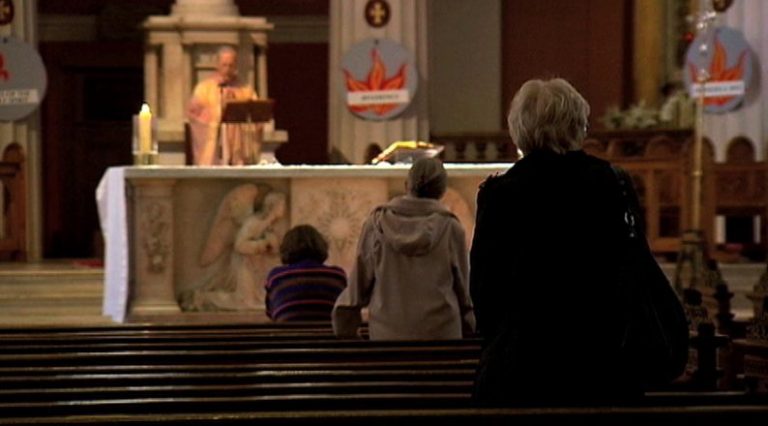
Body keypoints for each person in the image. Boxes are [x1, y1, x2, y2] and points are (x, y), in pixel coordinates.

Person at [469, 78, 687, 406]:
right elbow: (633, 268)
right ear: (577, 125)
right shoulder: (612, 182)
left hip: (522, 369)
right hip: (603, 363)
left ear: (519, 128)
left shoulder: (500, 193)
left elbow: (485, 290)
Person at [332, 157, 476, 340]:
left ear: (407, 185)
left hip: (388, 335)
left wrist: (345, 324)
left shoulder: (377, 223)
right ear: (442, 191)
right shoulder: (450, 227)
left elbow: (359, 285)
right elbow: (464, 289)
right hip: (441, 335)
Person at [178, 187, 287, 311]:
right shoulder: (254, 222)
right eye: (281, 205)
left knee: (262, 300)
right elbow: (239, 245)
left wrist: (272, 247)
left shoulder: (270, 225)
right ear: (273, 206)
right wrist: (262, 244)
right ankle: (201, 298)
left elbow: (272, 250)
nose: (284, 208)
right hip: (245, 265)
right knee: (246, 303)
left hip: (258, 268)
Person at [187, 46, 261, 166]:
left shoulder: (245, 89)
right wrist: (218, 111)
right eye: (224, 65)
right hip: (215, 147)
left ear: (235, 66)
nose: (227, 69)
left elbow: (256, 117)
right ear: (217, 65)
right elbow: (194, 116)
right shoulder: (204, 88)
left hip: (238, 148)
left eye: (231, 65)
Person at [265, 225, 348, 322]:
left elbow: (271, 313)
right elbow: (344, 312)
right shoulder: (337, 276)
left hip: (288, 332)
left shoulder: (276, 277)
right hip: (326, 332)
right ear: (321, 246)